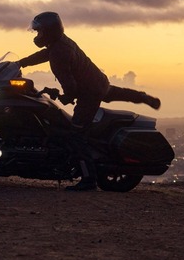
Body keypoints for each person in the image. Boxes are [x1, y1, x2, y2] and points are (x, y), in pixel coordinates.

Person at [17, 11, 161, 191]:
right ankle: (144, 97)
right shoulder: (60, 43)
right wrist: (20, 63)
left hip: (89, 93)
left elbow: (70, 87)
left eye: (39, 32)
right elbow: (45, 55)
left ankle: (89, 179)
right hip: (98, 82)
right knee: (118, 93)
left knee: (76, 135)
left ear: (49, 32)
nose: (37, 36)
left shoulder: (59, 53)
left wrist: (64, 97)